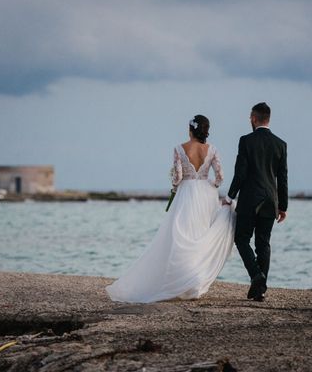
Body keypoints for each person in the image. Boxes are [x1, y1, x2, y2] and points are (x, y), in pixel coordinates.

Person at [106, 115, 235, 303]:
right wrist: (210, 186)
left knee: (181, 237)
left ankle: (180, 281)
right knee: (200, 235)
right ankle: (194, 282)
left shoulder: (179, 149)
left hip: (186, 194)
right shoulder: (212, 149)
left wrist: (175, 188)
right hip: (205, 195)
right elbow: (220, 177)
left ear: (190, 129)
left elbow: (177, 178)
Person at [222, 102, 288, 302]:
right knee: (263, 244)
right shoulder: (280, 144)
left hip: (249, 199)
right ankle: (259, 289)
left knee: (242, 239)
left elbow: (240, 173)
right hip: (270, 200)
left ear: (253, 118)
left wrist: (229, 196)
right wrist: (283, 205)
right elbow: (282, 178)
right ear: (268, 118)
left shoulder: (246, 141)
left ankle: (257, 277)